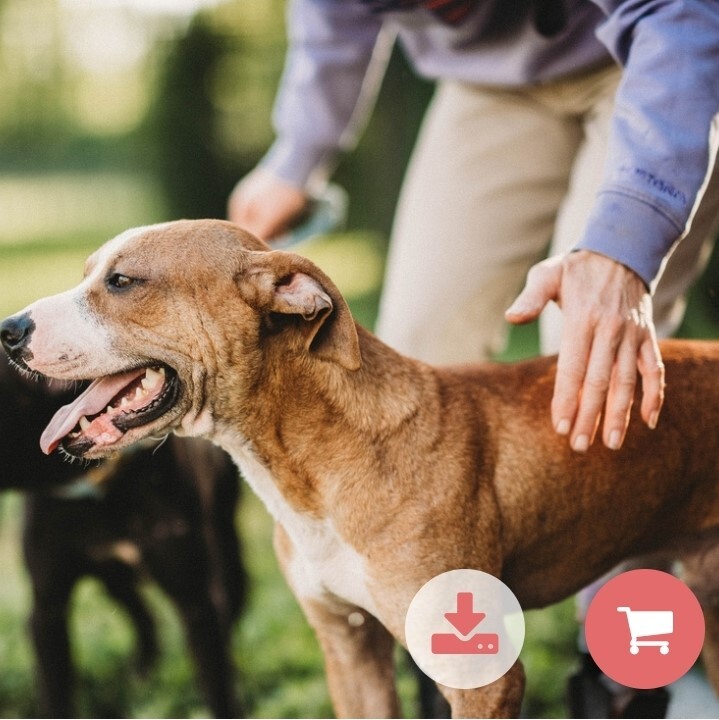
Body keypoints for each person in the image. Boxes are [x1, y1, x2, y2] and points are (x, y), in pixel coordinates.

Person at [228, 0, 719, 455]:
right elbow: (331, 21)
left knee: (588, 353)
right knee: (417, 351)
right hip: (488, 82)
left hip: (660, 58)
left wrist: (621, 247)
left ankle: (643, 544)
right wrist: (294, 161)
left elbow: (675, 13)